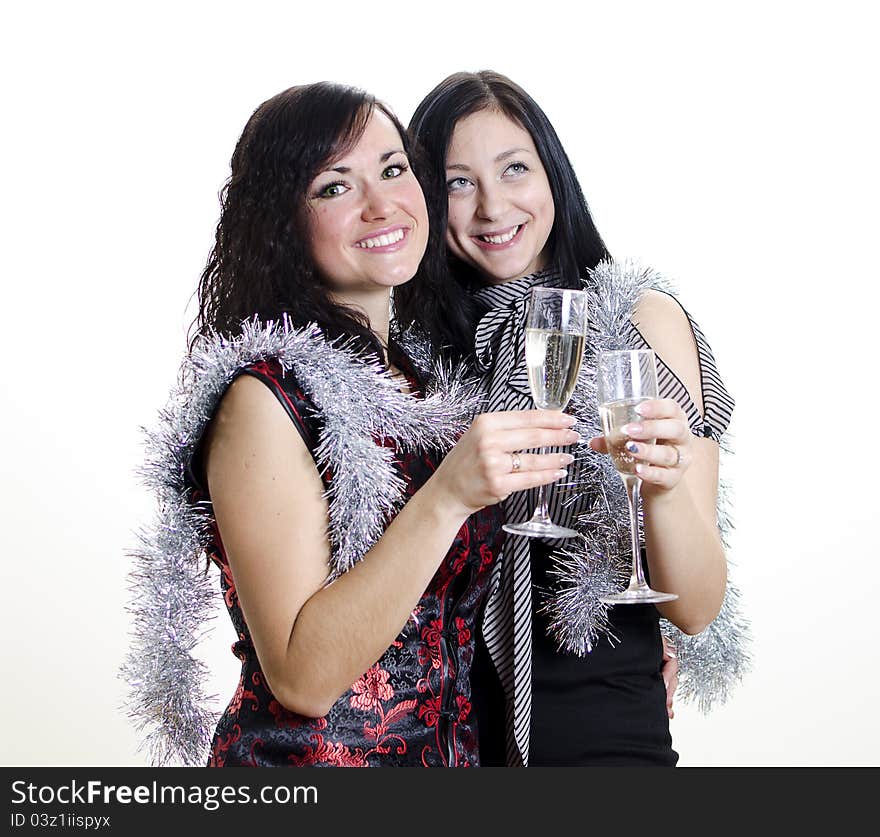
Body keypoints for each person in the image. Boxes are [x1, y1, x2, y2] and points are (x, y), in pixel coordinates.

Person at [123, 82, 579, 767]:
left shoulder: (422, 385)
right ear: (282, 219)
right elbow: (302, 677)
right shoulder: (265, 398)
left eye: (394, 170)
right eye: (335, 187)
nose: (382, 203)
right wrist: (449, 496)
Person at [407, 71, 745, 766]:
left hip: (606, 731)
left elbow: (698, 605)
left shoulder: (638, 321)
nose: (492, 206)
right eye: (458, 183)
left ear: (554, 174)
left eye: (514, 169)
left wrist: (664, 485)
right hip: (437, 738)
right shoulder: (410, 355)